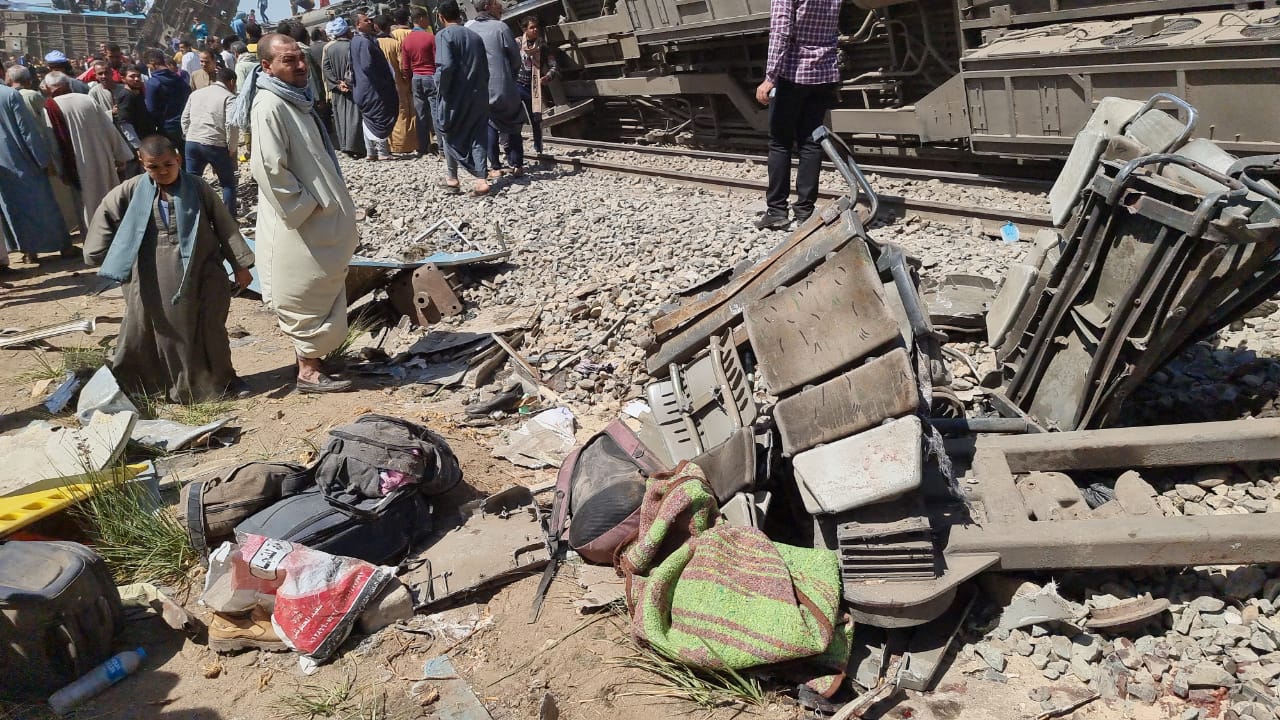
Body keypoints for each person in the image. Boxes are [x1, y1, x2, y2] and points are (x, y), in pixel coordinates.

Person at [84, 135, 254, 402]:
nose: (162, 172)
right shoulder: (129, 191)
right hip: (152, 277)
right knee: (163, 333)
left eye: (167, 164)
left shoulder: (197, 187)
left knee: (211, 330)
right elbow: (102, 225)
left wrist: (240, 264)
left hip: (203, 271)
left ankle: (223, 381)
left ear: (178, 159)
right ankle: (176, 389)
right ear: (142, 163)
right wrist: (106, 256)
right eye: (154, 167)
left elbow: (224, 225)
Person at [233, 33, 358, 393]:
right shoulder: (270, 106)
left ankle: (316, 359)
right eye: (289, 60)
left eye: (300, 58)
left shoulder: (296, 101)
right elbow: (269, 169)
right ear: (267, 66)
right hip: (299, 222)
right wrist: (310, 204)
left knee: (323, 285)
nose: (301, 65)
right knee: (302, 290)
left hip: (317, 218)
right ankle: (306, 371)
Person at [753, 0, 840, 229]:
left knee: (780, 142)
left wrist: (771, 76)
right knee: (811, 142)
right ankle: (805, 212)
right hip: (824, 71)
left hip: (793, 72)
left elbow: (780, 31)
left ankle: (776, 211)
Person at [44, 71, 133, 230]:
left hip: (78, 166)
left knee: (87, 206)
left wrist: (61, 170)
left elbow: (54, 144)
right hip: (102, 159)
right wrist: (120, 155)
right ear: (67, 84)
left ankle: (95, 242)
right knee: (109, 199)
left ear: (49, 88)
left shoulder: (50, 108)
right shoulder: (87, 99)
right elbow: (109, 128)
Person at [0, 83, 71, 266]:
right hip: (24, 161)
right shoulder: (10, 95)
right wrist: (43, 160)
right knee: (43, 205)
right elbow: (27, 131)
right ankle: (64, 246)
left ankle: (28, 252)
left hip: (3, 167)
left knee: (13, 210)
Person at [434, 0, 489, 195]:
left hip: (455, 95)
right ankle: (482, 179)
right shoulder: (474, 36)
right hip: (478, 93)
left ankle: (453, 178)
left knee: (448, 131)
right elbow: (484, 66)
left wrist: (440, 86)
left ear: (441, 17)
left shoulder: (443, 35)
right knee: (478, 134)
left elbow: (445, 67)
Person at [466, 0, 524, 177]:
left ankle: (495, 167)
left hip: (479, 86)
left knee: (488, 124)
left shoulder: (468, 28)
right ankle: (517, 165)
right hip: (502, 84)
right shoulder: (500, 27)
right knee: (513, 120)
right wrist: (510, 76)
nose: (500, 6)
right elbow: (515, 59)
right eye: (496, 2)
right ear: (488, 6)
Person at [182, 68, 238, 214]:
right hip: (215, 145)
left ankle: (193, 215)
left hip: (192, 142)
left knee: (192, 183)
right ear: (231, 82)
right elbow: (231, 125)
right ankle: (229, 218)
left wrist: (188, 135)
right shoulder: (229, 97)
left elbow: (185, 119)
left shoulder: (195, 94)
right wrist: (232, 148)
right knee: (228, 184)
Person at [350, 13, 398, 161]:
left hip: (362, 89)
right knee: (380, 116)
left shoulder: (355, 41)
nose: (370, 22)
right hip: (373, 89)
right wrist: (383, 82)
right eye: (366, 20)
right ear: (358, 25)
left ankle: (371, 152)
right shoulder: (364, 43)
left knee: (368, 119)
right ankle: (383, 151)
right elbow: (368, 66)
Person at [322, 17, 364, 157]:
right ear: (346, 32)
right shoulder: (352, 46)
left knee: (341, 118)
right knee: (355, 117)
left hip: (338, 90)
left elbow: (326, 69)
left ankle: (345, 145)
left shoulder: (329, 49)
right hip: (352, 88)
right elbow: (354, 66)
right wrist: (347, 83)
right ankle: (356, 147)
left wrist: (336, 83)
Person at [375, 14, 416, 155]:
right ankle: (404, 145)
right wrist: (407, 81)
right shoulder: (394, 43)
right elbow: (402, 65)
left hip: (381, 86)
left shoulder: (373, 43)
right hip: (398, 85)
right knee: (403, 113)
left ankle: (390, 145)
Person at [516, 15, 556, 156]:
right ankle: (514, 150)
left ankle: (538, 147)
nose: (535, 30)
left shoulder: (543, 46)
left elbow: (553, 66)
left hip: (533, 88)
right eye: (531, 27)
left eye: (536, 27)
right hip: (516, 85)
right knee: (514, 118)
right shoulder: (517, 44)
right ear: (524, 29)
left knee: (536, 119)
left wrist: (548, 77)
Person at [400, 5, 436, 156]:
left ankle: (423, 147)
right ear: (421, 18)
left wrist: (409, 81)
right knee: (436, 112)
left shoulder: (407, 41)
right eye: (427, 17)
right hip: (430, 77)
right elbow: (437, 60)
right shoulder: (430, 37)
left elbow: (405, 67)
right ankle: (441, 145)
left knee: (420, 114)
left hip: (416, 78)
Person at [144, 49, 191, 149]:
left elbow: (151, 109)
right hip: (184, 124)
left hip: (165, 127)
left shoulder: (153, 83)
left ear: (152, 63)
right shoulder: (179, 79)